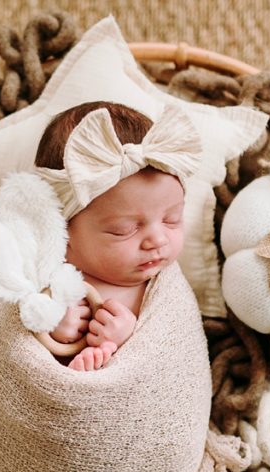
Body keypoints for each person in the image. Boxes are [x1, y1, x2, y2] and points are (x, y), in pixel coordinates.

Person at [33, 101, 201, 371]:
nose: (158, 240)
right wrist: (53, 328)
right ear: (61, 229)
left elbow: (173, 352)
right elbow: (14, 344)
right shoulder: (44, 274)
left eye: (172, 220)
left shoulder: (162, 289)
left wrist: (129, 339)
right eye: (124, 230)